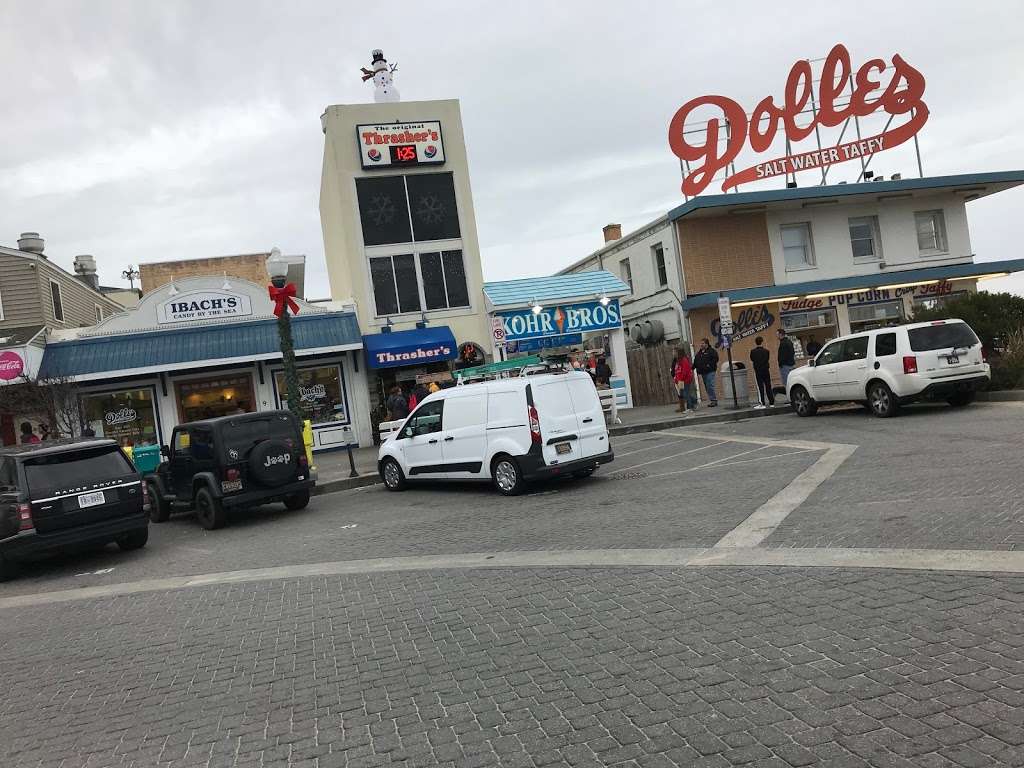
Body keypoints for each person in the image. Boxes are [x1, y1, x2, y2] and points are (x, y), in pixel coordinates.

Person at [672, 345, 698, 415]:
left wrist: (681, 379)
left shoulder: (684, 360)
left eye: (674, 351)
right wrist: (676, 379)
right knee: (684, 393)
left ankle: (690, 408)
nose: (673, 353)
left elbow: (685, 371)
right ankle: (694, 401)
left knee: (686, 393)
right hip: (681, 380)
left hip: (685, 379)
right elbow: (677, 370)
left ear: (678, 352)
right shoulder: (678, 360)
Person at [693, 338, 719, 407]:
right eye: (701, 343)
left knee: (709, 385)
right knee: (707, 386)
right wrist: (692, 368)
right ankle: (712, 400)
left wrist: (709, 365)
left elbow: (716, 359)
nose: (701, 345)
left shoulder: (711, 351)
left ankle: (714, 400)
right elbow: (696, 361)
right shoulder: (700, 353)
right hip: (703, 372)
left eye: (703, 343)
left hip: (710, 371)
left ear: (706, 344)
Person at [750, 336, 774, 408]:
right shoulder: (767, 351)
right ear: (762, 342)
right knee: (768, 386)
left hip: (758, 371)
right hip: (766, 370)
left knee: (760, 387)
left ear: (756, 342)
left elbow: (752, 359)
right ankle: (771, 402)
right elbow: (767, 359)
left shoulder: (753, 352)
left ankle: (762, 403)